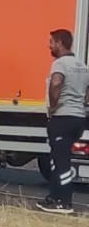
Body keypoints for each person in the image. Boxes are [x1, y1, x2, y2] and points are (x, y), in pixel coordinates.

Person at [38, 29, 89, 214]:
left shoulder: (60, 64)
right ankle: (54, 197)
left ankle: (63, 202)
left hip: (62, 117)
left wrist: (52, 106)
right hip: (78, 118)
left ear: (60, 43)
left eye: (51, 42)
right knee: (58, 159)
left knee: (61, 162)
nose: (49, 45)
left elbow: (56, 83)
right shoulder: (82, 65)